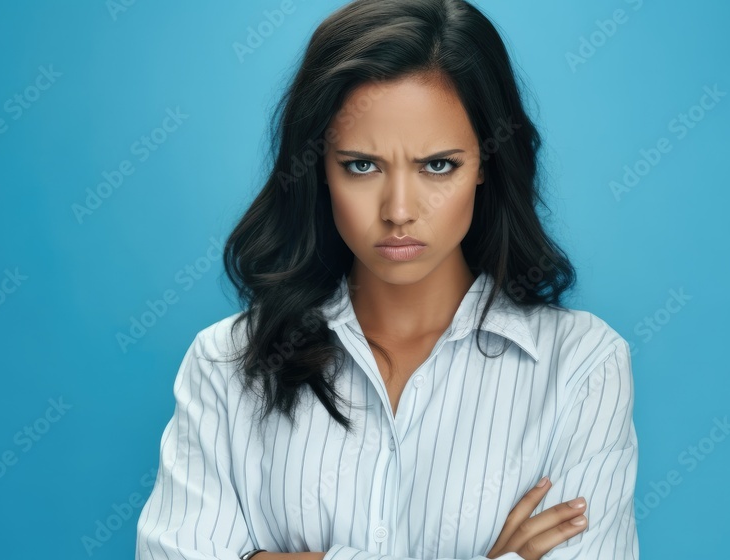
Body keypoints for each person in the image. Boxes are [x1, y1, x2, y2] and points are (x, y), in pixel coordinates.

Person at [136, 0, 639, 559]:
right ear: (318, 170)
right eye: (361, 165)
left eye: (438, 165)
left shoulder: (581, 366)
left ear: (487, 166)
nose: (399, 209)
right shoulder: (226, 364)